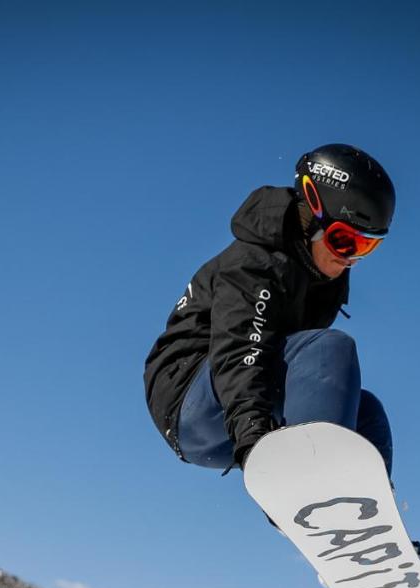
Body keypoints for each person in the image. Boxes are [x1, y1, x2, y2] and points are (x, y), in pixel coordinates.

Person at [143, 143, 398, 481]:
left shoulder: (321, 279)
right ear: (313, 217)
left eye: (367, 246)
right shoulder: (255, 264)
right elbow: (239, 352)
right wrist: (254, 446)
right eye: (344, 241)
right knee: (330, 349)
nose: (350, 257)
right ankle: (315, 491)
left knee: (368, 415)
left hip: (232, 417)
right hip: (191, 399)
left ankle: (361, 522)